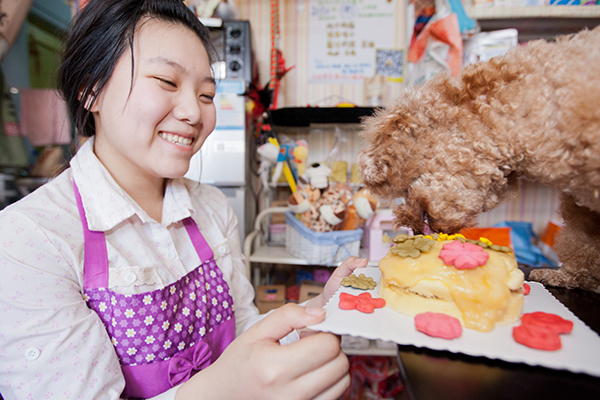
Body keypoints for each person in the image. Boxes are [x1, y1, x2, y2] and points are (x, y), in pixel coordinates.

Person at [0, 1, 368, 399]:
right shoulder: (29, 240)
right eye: (167, 81)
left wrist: (316, 318)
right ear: (91, 89)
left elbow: (247, 335)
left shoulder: (212, 209)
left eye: (207, 94)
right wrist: (223, 391)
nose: (194, 112)